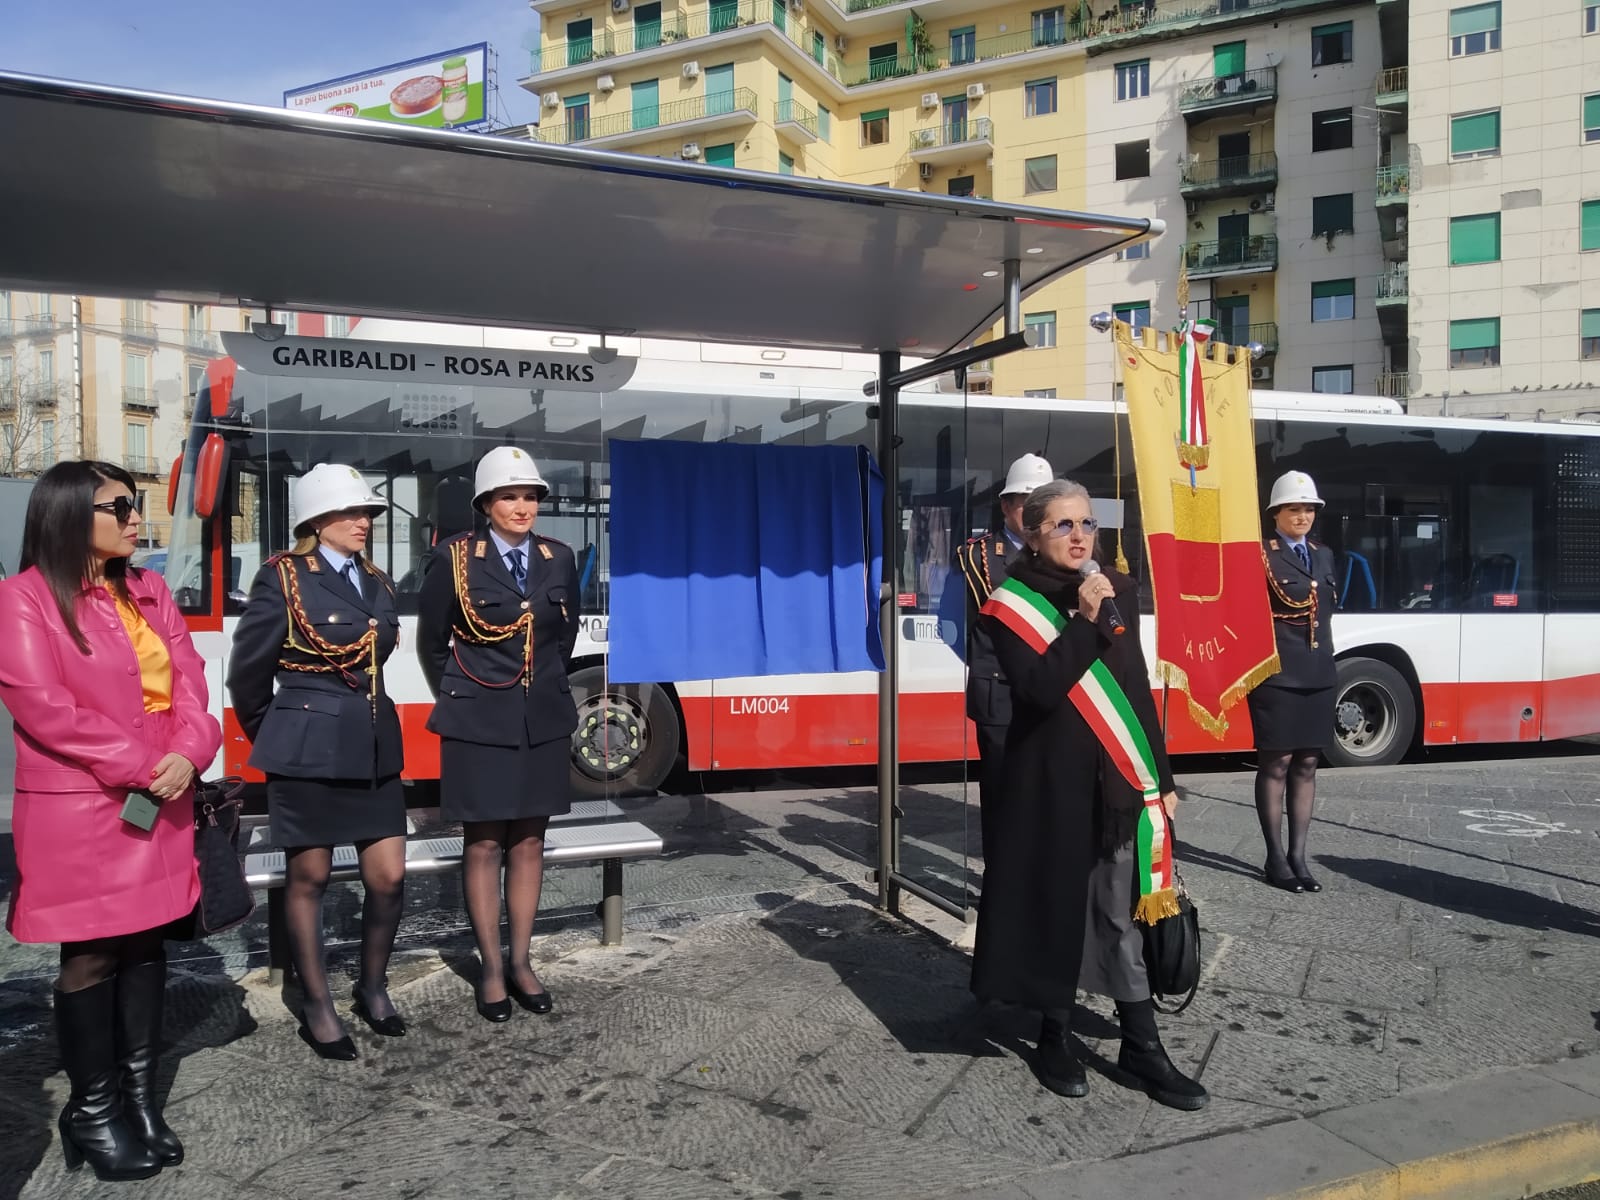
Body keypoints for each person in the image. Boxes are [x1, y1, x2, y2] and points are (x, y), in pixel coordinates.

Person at [0, 461, 221, 1180]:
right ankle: (93, 1110)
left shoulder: (150, 589)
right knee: (91, 952)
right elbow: (44, 709)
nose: (135, 517)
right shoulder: (25, 598)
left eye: (136, 504)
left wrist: (190, 752)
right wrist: (144, 766)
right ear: (69, 515)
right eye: (118, 505)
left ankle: (137, 1098)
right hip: (85, 807)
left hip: (163, 795)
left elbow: (191, 682)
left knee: (146, 944)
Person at [972, 479, 1207, 1111]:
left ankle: (1142, 1045)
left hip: (1116, 786)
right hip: (1048, 789)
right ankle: (1054, 1034)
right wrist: (1082, 621)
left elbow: (1134, 696)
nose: (1079, 537)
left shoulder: (1119, 592)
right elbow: (1040, 692)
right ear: (1032, 533)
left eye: (1087, 525)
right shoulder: (1010, 604)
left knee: (1116, 912)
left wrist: (1162, 779)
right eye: (1063, 526)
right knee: (1056, 913)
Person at [226, 463, 408, 1060]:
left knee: (388, 876)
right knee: (311, 878)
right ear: (317, 519)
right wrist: (283, 735)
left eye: (367, 513)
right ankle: (317, 1003)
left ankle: (372, 985)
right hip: (308, 749)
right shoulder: (282, 579)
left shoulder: (376, 581)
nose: (363, 522)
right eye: (351, 513)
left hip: (376, 745)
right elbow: (248, 677)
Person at [416, 447, 580, 1022]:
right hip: (477, 721)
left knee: (530, 841)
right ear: (486, 503)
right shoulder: (454, 558)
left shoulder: (559, 558)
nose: (522, 506)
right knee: (484, 842)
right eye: (510, 496)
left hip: (543, 718)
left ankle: (521, 961)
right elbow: (432, 643)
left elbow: (565, 637)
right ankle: (489, 966)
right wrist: (468, 698)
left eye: (530, 496)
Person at [947, 452, 1053, 870]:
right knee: (1003, 792)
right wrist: (990, 664)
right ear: (1007, 506)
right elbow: (952, 625)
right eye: (1026, 502)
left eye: (1042, 503)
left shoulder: (1062, 554)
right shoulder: (977, 557)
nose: (1034, 512)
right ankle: (1003, 878)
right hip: (1001, 694)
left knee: (1045, 789)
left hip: (1052, 693)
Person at [1248, 471, 1339, 894]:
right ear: (1276, 514)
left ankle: (1299, 856)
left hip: (1319, 672)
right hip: (1277, 674)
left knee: (1307, 763)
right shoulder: (1260, 556)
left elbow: (1327, 612)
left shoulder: (1324, 555)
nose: (1302, 516)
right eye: (1293, 509)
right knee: (1277, 763)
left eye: (1308, 509)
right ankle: (1275, 857)